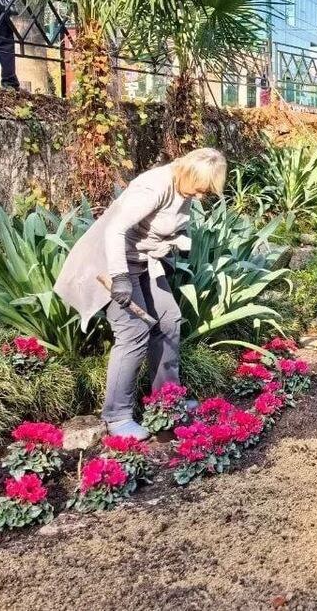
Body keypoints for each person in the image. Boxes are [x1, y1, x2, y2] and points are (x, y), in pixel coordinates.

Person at [54, 148, 227, 440]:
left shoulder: (182, 187)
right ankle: (116, 415)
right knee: (134, 331)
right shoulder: (153, 186)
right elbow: (114, 230)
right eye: (200, 189)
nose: (200, 197)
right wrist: (120, 277)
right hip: (111, 265)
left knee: (169, 320)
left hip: (144, 263)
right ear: (189, 174)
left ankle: (167, 400)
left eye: (205, 192)